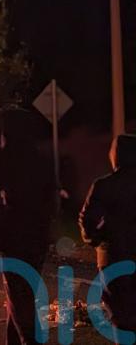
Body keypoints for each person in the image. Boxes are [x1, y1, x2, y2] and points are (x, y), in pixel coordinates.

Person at [0, 109, 56, 345]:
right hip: (37, 236)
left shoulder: (3, 160)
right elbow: (51, 199)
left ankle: (30, 340)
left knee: (19, 297)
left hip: (14, 237)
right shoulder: (40, 159)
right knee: (22, 294)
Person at [79, 134, 136, 339]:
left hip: (113, 258)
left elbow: (87, 221)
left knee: (121, 317)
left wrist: (95, 239)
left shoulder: (104, 185)